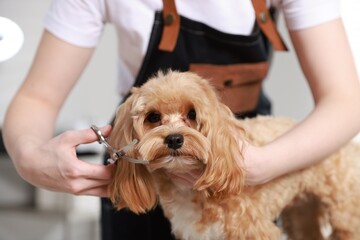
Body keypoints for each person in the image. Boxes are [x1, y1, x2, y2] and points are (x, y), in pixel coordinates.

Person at [3, 0, 360, 239]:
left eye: (190, 116)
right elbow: (36, 97)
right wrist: (30, 158)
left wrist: (260, 166)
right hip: (145, 173)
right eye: (158, 116)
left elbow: (346, 101)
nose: (176, 131)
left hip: (249, 162)